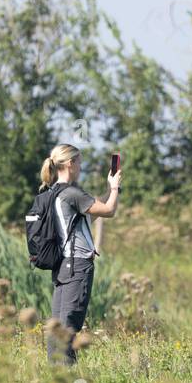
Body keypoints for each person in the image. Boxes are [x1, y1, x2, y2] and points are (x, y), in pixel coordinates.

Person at [38, 144, 121, 364]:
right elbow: (109, 210)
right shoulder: (73, 193)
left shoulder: (54, 192)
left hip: (63, 265)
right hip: (78, 266)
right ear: (70, 164)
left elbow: (86, 217)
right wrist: (114, 189)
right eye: (80, 162)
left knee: (58, 326)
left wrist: (110, 188)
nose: (81, 167)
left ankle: (55, 379)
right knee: (68, 329)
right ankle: (66, 382)